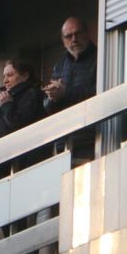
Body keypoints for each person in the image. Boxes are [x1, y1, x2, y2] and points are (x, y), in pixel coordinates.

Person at [0, 59, 46, 182]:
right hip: (3, 163)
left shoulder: (32, 95)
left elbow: (17, 124)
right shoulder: (7, 98)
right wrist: (1, 106)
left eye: (10, 75)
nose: (5, 80)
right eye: (4, 76)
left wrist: (6, 105)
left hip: (22, 163)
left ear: (25, 76)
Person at [42, 17, 98, 162]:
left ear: (87, 33)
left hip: (92, 138)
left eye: (77, 34)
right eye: (68, 36)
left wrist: (66, 93)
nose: (74, 39)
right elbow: (47, 107)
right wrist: (51, 97)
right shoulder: (59, 66)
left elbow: (101, 92)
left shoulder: (100, 57)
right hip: (63, 141)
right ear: (63, 40)